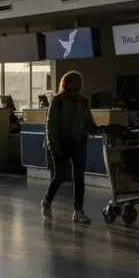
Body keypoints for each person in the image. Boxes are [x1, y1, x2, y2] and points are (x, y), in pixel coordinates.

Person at [44, 71, 98, 224]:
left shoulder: (83, 101)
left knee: (79, 177)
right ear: (66, 84)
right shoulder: (58, 101)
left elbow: (88, 122)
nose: (79, 85)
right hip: (61, 143)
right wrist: (52, 143)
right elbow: (51, 124)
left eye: (81, 82)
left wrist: (99, 129)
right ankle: (47, 201)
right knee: (60, 176)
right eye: (76, 82)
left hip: (79, 142)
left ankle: (78, 211)